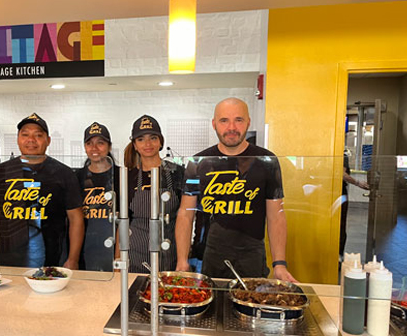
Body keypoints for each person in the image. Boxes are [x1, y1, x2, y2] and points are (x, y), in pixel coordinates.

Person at [175, 97, 297, 282]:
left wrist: (279, 264)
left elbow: (276, 215)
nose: (231, 127)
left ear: (248, 122)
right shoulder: (198, 163)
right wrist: (182, 260)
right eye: (224, 120)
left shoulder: (267, 161)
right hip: (211, 255)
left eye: (238, 120)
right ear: (214, 124)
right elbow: (185, 213)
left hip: (252, 255)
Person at [0, 113, 84, 269]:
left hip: (53, 259)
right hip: (10, 259)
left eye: (38, 135)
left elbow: (75, 218)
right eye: (25, 134)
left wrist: (73, 259)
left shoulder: (64, 173)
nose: (31, 140)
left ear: (48, 141)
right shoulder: (3, 171)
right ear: (18, 139)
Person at [121, 115, 184, 273]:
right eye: (141, 139)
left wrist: (184, 257)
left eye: (153, 138)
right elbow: (122, 223)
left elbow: (186, 217)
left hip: (169, 254)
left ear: (160, 142)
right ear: (134, 145)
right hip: (134, 256)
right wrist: (119, 259)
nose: (147, 144)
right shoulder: (128, 176)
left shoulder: (177, 173)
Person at [75, 122, 119, 271]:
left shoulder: (121, 175)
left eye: (100, 143)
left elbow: (127, 221)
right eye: (89, 143)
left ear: (109, 146)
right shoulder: (76, 177)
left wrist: (119, 256)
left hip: (112, 248)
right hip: (86, 249)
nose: (94, 148)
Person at [340, 151, 369, 258]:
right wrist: (358, 183)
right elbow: (342, 174)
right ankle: (338, 256)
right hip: (340, 193)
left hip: (328, 193)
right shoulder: (342, 156)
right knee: (341, 226)